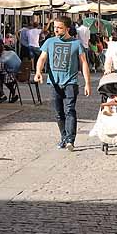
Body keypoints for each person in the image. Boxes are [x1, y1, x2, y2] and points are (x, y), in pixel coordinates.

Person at [34, 16, 92, 151]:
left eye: (59, 27)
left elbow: (84, 63)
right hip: (54, 83)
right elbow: (42, 58)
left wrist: (87, 83)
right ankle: (64, 137)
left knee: (70, 110)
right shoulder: (49, 42)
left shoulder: (76, 44)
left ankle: (70, 140)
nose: (56, 30)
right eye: (55, 27)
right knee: (58, 113)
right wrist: (38, 72)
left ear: (67, 28)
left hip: (71, 82)